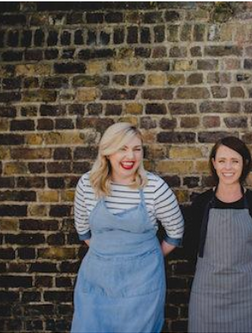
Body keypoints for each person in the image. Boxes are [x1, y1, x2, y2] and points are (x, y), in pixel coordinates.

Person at [71, 122, 184, 333]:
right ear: (107, 152)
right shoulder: (88, 184)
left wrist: (148, 257)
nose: (130, 156)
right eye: (122, 148)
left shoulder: (155, 187)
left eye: (136, 149)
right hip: (96, 281)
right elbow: (83, 229)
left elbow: (175, 232)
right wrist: (108, 252)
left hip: (143, 283)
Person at [184, 136, 252, 333]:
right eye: (222, 161)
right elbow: (190, 248)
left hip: (249, 296)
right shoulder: (201, 203)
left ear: (245, 163)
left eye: (235, 161)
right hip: (207, 297)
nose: (228, 167)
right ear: (214, 163)